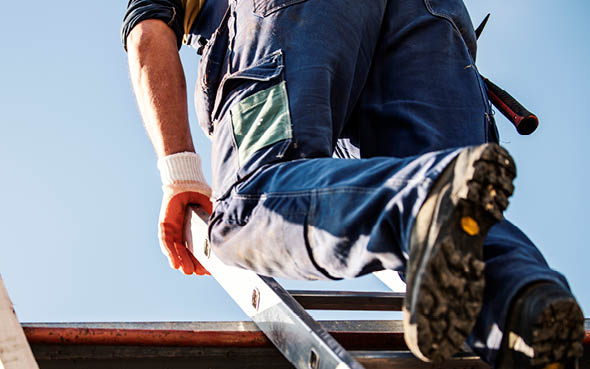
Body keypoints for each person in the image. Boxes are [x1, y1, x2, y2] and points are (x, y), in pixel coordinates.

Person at [122, 0, 585, 367]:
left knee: (252, 200)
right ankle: (530, 309)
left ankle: (422, 200)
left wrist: (178, 173)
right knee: (451, 234)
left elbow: (146, 30)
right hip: (431, 19)